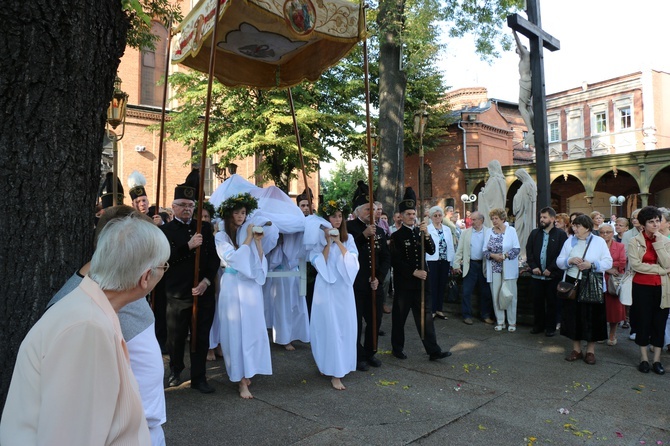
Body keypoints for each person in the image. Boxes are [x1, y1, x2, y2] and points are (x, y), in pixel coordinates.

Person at [0, 216, 169, 445]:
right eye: (163, 266)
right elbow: (70, 437)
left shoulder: (92, 309)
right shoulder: (87, 328)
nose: (164, 272)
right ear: (146, 277)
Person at [216, 193, 275, 398]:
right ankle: (240, 380)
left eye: (243, 213)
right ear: (228, 214)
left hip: (250, 288)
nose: (240, 216)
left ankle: (249, 369)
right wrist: (249, 238)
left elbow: (257, 262)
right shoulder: (221, 236)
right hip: (233, 286)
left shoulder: (246, 233)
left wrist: (258, 242)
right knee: (235, 331)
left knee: (252, 329)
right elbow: (233, 258)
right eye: (236, 212)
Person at [162, 182, 219, 394]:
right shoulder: (165, 230)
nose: (187, 208)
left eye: (191, 205)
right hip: (178, 293)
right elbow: (165, 259)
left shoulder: (203, 227)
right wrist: (188, 246)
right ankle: (176, 370)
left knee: (201, 336)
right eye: (183, 204)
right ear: (173, 206)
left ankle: (199, 377)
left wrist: (206, 281)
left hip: (202, 292)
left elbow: (213, 258)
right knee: (176, 337)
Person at [390, 190, 451, 361]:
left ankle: (433, 350)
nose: (411, 216)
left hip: (422, 284)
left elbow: (431, 250)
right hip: (405, 285)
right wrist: (412, 272)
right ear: (401, 216)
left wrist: (426, 234)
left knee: (426, 318)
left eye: (413, 213)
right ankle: (397, 348)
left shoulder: (420, 232)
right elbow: (396, 260)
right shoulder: (396, 236)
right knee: (399, 318)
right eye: (408, 214)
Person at [308, 199, 359, 390]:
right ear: (327, 218)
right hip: (326, 288)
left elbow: (353, 261)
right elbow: (318, 262)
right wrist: (328, 242)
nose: (337, 220)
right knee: (327, 326)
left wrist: (339, 241)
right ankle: (326, 364)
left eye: (340, 216)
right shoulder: (318, 240)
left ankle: (339, 370)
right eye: (333, 216)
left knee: (343, 326)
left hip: (343, 289)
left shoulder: (349, 238)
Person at [347, 181, 391, 371]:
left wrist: (379, 278)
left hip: (374, 285)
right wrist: (363, 235)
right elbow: (346, 253)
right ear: (357, 211)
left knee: (375, 321)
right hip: (356, 285)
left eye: (373, 209)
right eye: (367, 209)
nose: (371, 213)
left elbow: (386, 258)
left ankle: (370, 352)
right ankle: (356, 356)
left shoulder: (380, 231)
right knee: (356, 322)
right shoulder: (349, 228)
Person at [557, 214, 612, 365]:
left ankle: (590, 351)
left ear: (587, 227)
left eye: (577, 226)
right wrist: (569, 260)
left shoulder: (599, 241)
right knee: (573, 316)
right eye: (573, 226)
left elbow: (608, 261)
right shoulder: (570, 241)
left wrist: (592, 265)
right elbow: (559, 261)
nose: (574, 229)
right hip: (572, 282)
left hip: (592, 282)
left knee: (592, 317)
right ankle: (576, 349)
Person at [627, 206, 670, 374]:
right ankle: (644, 358)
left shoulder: (665, 241)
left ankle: (657, 360)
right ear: (643, 224)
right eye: (651, 222)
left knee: (659, 322)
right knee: (643, 321)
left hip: (662, 288)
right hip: (642, 287)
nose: (655, 225)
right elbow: (637, 265)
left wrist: (659, 242)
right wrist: (660, 270)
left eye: (657, 221)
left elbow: (667, 263)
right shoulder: (634, 241)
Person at [527, 207, 568, 337]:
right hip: (536, 275)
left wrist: (550, 268)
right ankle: (538, 325)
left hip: (553, 276)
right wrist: (533, 266)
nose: (542, 220)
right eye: (541, 217)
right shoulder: (534, 233)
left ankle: (550, 327)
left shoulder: (560, 234)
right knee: (537, 302)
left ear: (552, 219)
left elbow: (562, 254)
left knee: (552, 303)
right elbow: (529, 252)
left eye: (544, 217)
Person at [453, 211, 494, 325]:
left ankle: (485, 315)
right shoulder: (466, 233)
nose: (471, 221)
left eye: (474, 219)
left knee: (485, 292)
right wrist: (456, 264)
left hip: (484, 265)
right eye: (471, 219)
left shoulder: (489, 232)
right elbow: (460, 249)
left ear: (481, 220)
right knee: (466, 291)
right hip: (470, 265)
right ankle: (466, 315)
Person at [483, 208, 521, 332]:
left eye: (496, 219)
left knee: (510, 295)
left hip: (508, 267)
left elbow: (516, 248)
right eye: (492, 219)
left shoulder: (511, 230)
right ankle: (500, 321)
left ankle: (512, 322)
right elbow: (485, 251)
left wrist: (504, 256)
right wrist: (493, 256)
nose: (494, 221)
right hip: (494, 267)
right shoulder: (489, 232)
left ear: (503, 219)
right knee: (496, 295)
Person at [598, 224, 626, 346]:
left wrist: (604, 265)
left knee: (614, 310)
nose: (605, 235)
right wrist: (608, 268)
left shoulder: (620, 246)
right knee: (599, 308)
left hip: (614, 281)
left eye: (608, 232)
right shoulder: (596, 246)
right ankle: (601, 333)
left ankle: (612, 334)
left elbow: (622, 262)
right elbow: (593, 260)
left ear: (612, 233)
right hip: (599, 279)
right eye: (602, 232)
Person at [426, 206, 454, 320]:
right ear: (431, 217)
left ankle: (439, 309)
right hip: (432, 259)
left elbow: (450, 245)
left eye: (439, 215)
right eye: (435, 216)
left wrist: (451, 262)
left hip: (444, 259)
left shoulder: (447, 229)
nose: (437, 218)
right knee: (433, 285)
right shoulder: (428, 229)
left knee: (442, 284)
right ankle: (432, 310)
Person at [513, 30, 533, 146]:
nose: (518, 52)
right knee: (527, 107)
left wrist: (514, 32)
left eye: (518, 51)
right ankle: (532, 127)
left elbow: (519, 43)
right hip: (525, 82)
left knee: (521, 108)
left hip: (525, 82)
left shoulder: (526, 55)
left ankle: (530, 129)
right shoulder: (522, 59)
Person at [512, 168, 537, 259]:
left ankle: (522, 253)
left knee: (519, 232)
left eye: (518, 177)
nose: (518, 179)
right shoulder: (530, 184)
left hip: (523, 214)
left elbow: (519, 202)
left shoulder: (526, 185)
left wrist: (516, 197)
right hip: (524, 213)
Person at [478, 160, 507, 228]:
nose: (489, 171)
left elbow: (487, 196)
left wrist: (481, 193)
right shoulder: (502, 180)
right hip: (499, 205)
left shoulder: (493, 179)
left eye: (489, 169)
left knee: (491, 222)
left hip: (492, 207)